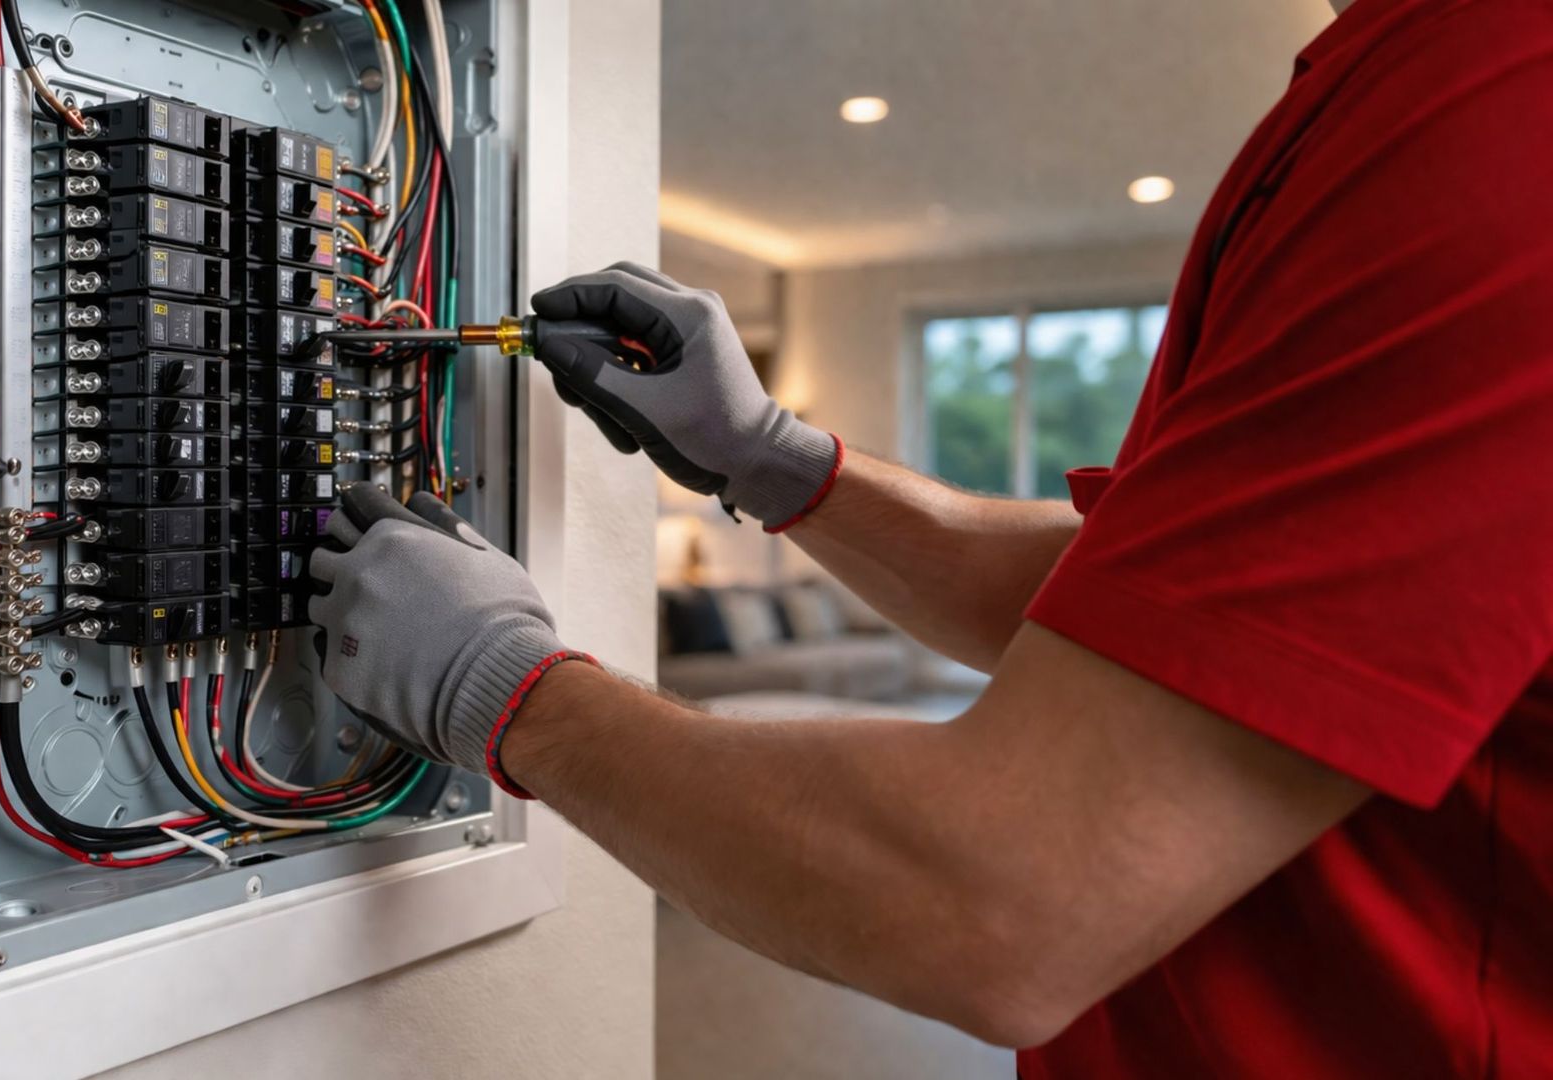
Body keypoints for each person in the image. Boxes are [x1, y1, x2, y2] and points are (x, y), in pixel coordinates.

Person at [307, 0, 1553, 1072]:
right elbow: (1167, 615)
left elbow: (1006, 893)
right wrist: (778, 460)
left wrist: (509, 692)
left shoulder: (1498, 101)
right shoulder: (1424, 82)